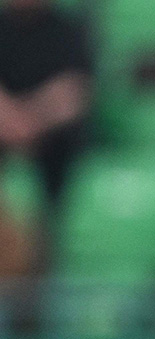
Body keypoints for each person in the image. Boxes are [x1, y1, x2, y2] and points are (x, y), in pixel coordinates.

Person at [0, 0, 93, 210]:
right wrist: (11, 121)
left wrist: (30, 122)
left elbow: (73, 92)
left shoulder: (70, 31)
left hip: (52, 143)